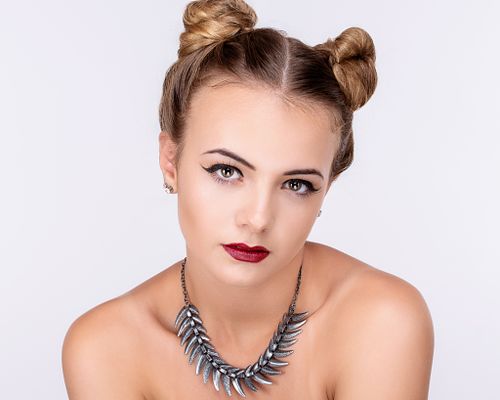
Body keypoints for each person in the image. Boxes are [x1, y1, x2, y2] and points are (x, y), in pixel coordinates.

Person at [62, 0, 434, 398]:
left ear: (327, 186)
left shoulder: (382, 320)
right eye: (227, 171)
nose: (258, 219)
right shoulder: (105, 348)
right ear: (171, 162)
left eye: (296, 184)